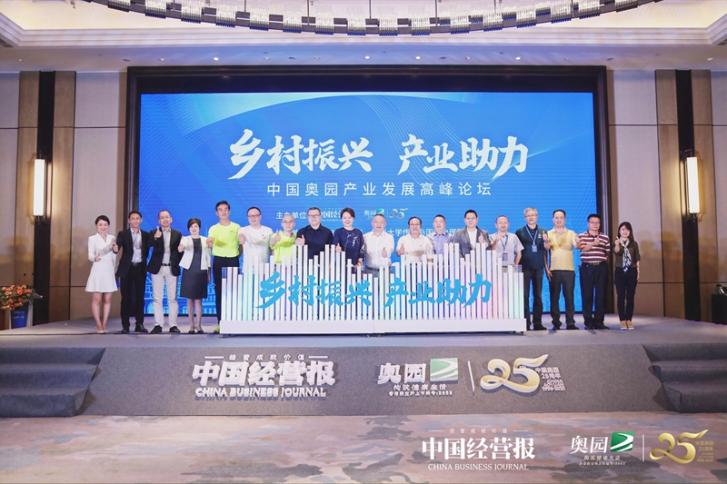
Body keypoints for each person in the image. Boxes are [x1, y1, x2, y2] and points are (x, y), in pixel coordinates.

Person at [113, 211, 149, 334]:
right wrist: (115, 249)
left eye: (137, 218)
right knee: (126, 298)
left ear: (141, 220)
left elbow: (151, 245)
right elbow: (117, 246)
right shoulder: (123, 234)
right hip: (127, 269)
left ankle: (139, 324)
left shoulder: (146, 234)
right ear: (129, 221)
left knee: (140, 298)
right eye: (133, 218)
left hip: (140, 268)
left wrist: (156, 238)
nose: (135, 220)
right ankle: (125, 325)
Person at [207, 201, 241, 330]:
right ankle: (220, 322)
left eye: (225, 209)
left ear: (229, 211)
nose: (223, 212)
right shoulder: (214, 228)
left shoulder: (237, 227)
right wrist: (210, 242)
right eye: (220, 210)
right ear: (217, 213)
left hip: (233, 260)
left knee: (234, 291)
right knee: (219, 291)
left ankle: (234, 320)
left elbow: (241, 244)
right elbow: (210, 239)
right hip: (219, 261)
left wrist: (235, 255)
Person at [147, 210, 182, 334]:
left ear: (171, 219)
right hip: (157, 268)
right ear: (159, 220)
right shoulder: (154, 232)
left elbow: (180, 252)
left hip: (171, 268)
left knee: (172, 298)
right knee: (157, 298)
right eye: (162, 217)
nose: (165, 219)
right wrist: (155, 238)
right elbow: (148, 245)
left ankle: (173, 325)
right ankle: (158, 324)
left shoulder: (177, 234)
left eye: (167, 217)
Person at [515, 208, 550, 331]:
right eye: (528, 216)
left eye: (533, 215)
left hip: (538, 267)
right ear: (525, 218)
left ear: (537, 216)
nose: (530, 217)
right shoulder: (520, 231)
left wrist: (546, 240)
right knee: (524, 295)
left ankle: (538, 322)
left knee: (538, 296)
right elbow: (517, 250)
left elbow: (547, 248)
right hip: (525, 267)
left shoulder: (542, 231)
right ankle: (525, 322)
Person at [546, 209, 579, 331]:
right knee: (554, 298)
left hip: (568, 270)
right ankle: (556, 322)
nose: (558, 220)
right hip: (553, 270)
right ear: (553, 219)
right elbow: (545, 251)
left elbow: (577, 246)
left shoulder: (571, 233)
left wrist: (579, 242)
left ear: (565, 219)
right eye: (556, 217)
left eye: (561, 217)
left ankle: (570, 322)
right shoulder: (548, 233)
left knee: (569, 297)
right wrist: (547, 268)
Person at [578, 214, 611, 330]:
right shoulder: (581, 236)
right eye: (592, 222)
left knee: (601, 295)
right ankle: (588, 322)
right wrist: (593, 244)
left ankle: (599, 321)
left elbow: (607, 253)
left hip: (601, 268)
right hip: (587, 268)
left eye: (597, 222)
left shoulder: (605, 237)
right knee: (587, 295)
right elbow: (582, 249)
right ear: (588, 224)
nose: (595, 224)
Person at [85, 215, 117, 333]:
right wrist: (95, 258)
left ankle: (104, 324)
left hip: (109, 270)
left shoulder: (112, 238)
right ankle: (98, 324)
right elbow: (90, 255)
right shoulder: (92, 239)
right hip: (98, 270)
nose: (103, 227)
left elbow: (114, 255)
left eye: (105, 225)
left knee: (107, 299)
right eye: (100, 225)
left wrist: (115, 251)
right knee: (97, 299)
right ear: (96, 226)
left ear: (108, 226)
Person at [179, 218, 210, 334]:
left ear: (199, 227)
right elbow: (182, 247)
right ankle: (191, 325)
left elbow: (208, 257)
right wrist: (181, 247)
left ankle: (199, 325)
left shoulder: (205, 240)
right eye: (191, 226)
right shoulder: (185, 239)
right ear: (189, 228)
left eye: (196, 226)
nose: (194, 228)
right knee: (190, 299)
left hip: (201, 271)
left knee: (198, 300)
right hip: (189, 271)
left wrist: (209, 272)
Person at [613, 221, 640, 330]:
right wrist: (617, 244)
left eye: (627, 229)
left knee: (630, 297)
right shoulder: (616, 242)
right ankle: (622, 320)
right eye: (623, 229)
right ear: (619, 231)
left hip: (632, 271)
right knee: (621, 297)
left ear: (630, 232)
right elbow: (617, 252)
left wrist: (638, 271)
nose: (625, 232)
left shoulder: (634, 244)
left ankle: (629, 319)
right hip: (620, 271)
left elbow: (637, 258)